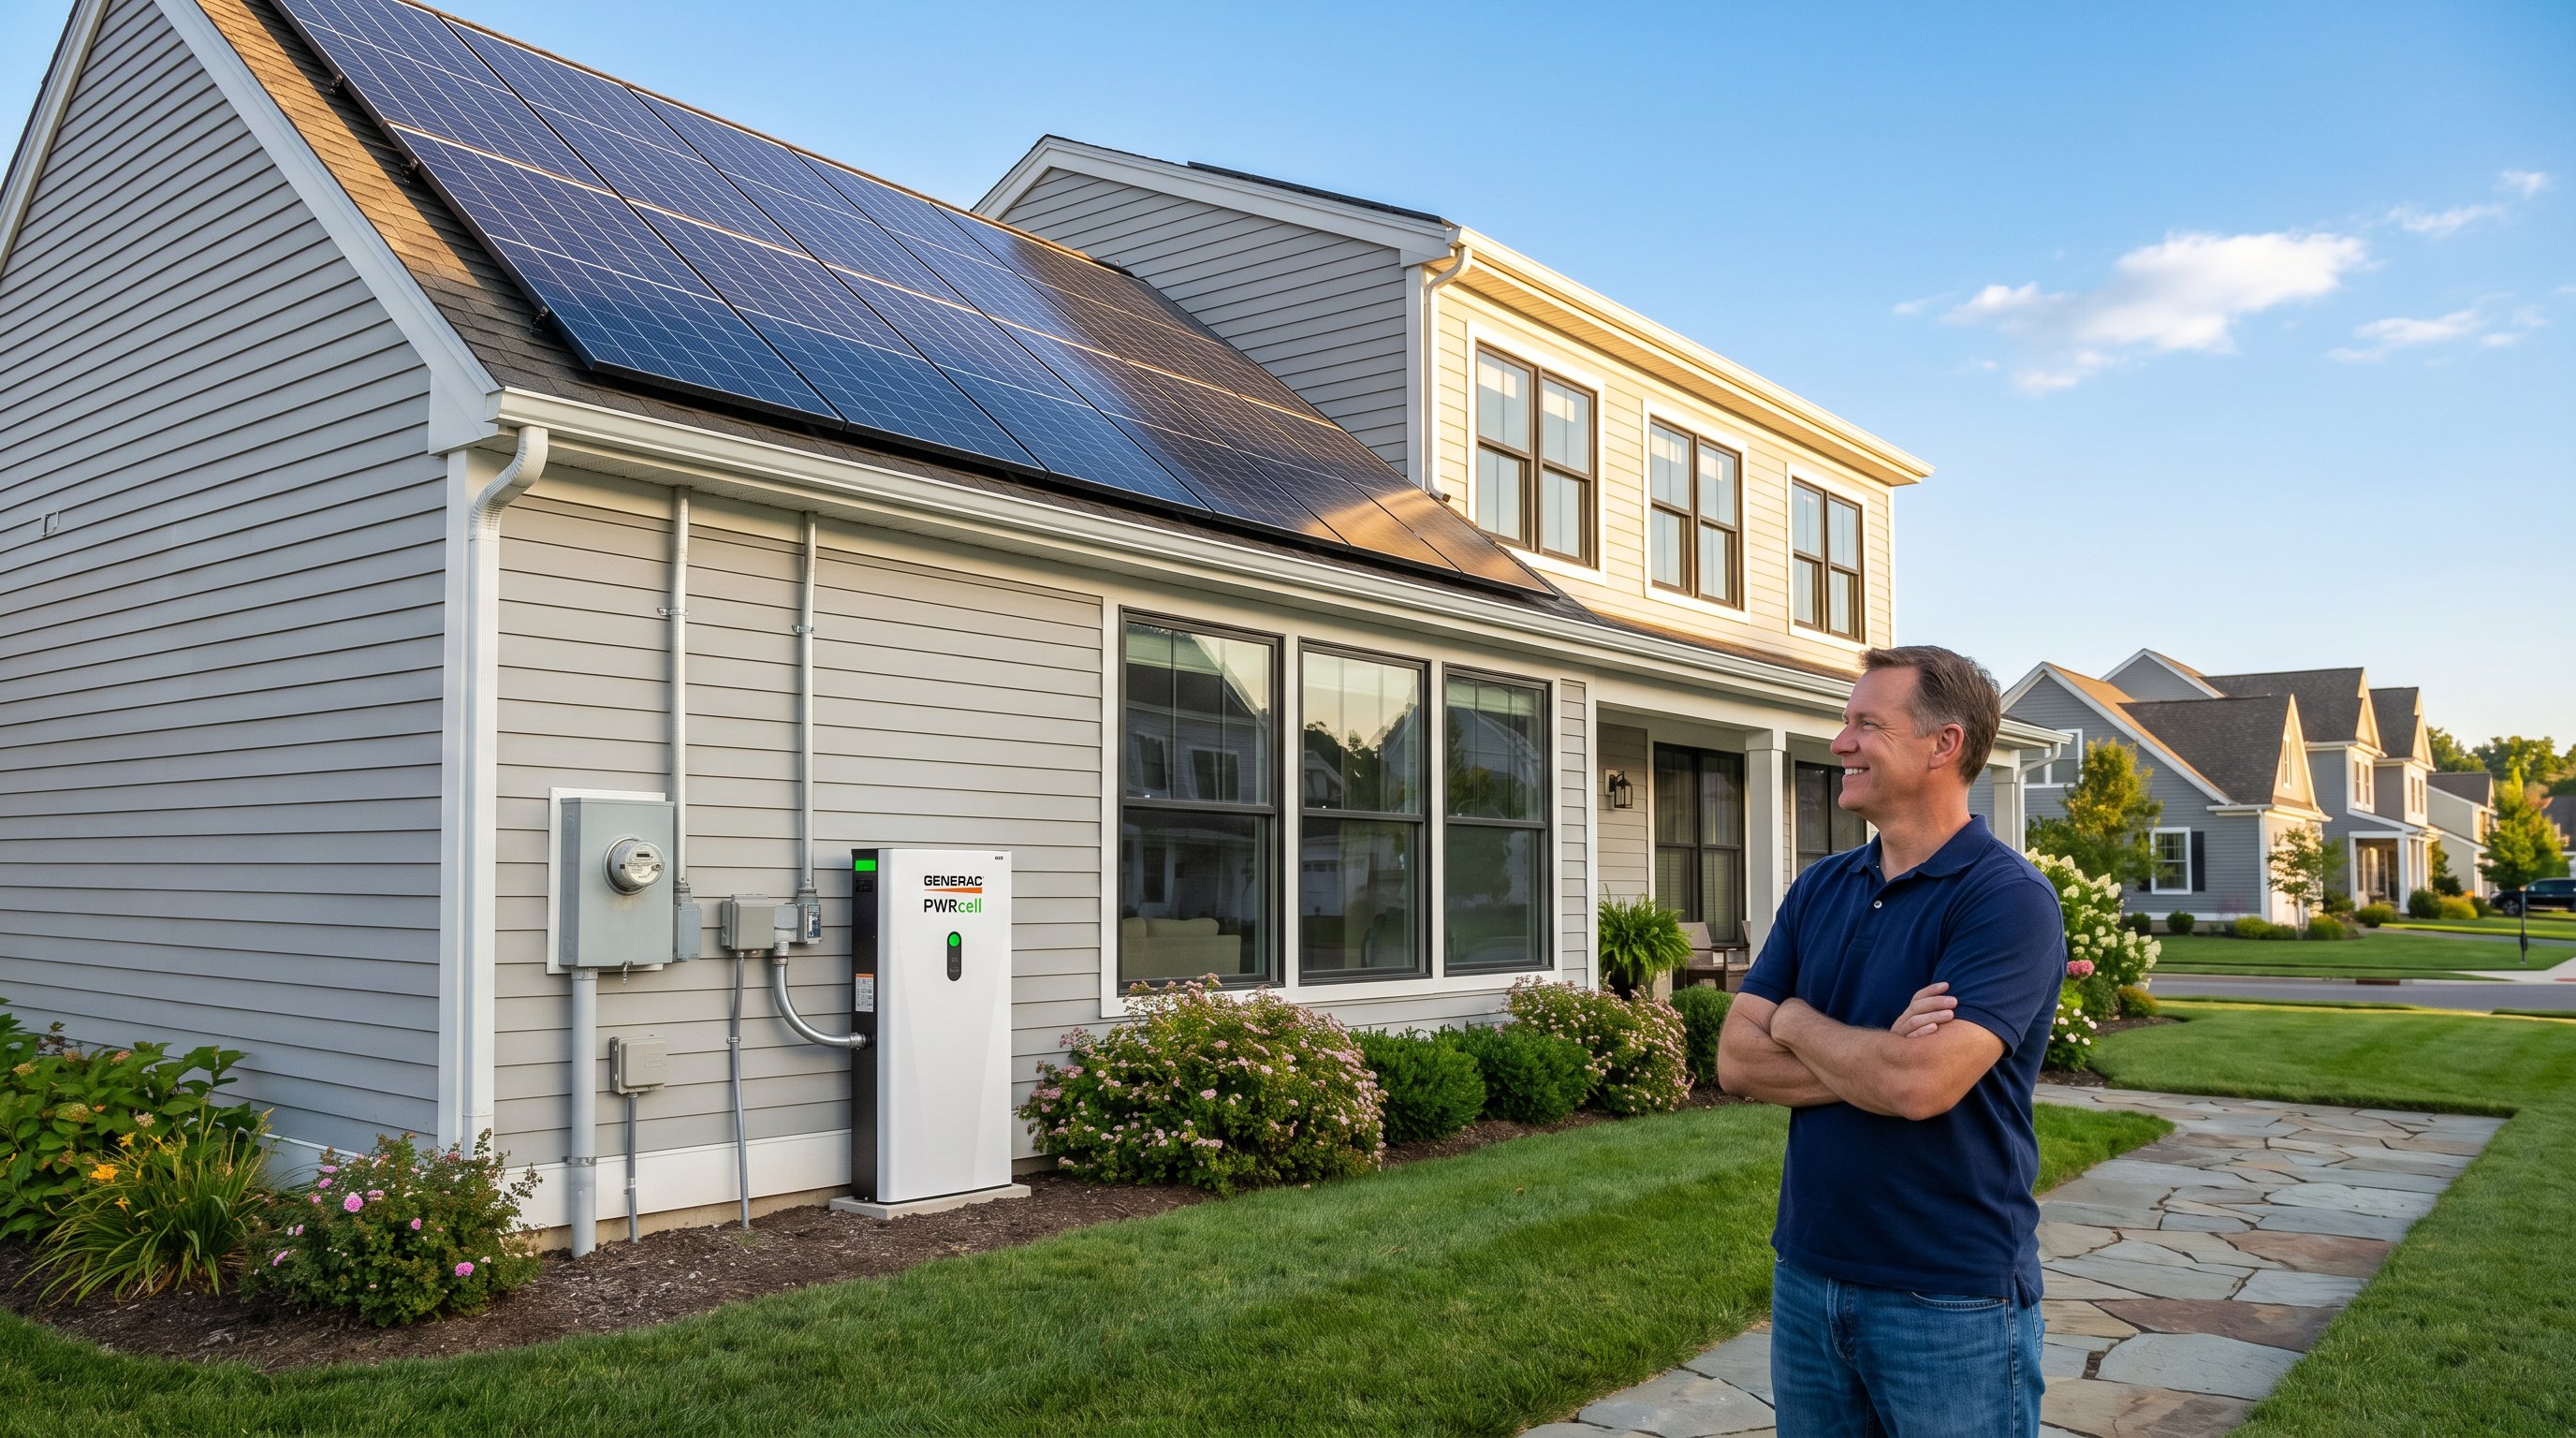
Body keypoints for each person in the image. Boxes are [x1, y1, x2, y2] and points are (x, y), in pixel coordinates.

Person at [1719, 645, 2067, 1438]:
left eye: (1866, 724)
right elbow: (1736, 1061)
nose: (1841, 742)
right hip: (1808, 1275)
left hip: (1949, 1297)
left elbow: (1920, 1087)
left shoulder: (2007, 901)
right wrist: (1880, 1056)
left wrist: (1795, 1020)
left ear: (1944, 744)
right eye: (1845, 723)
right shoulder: (1820, 887)